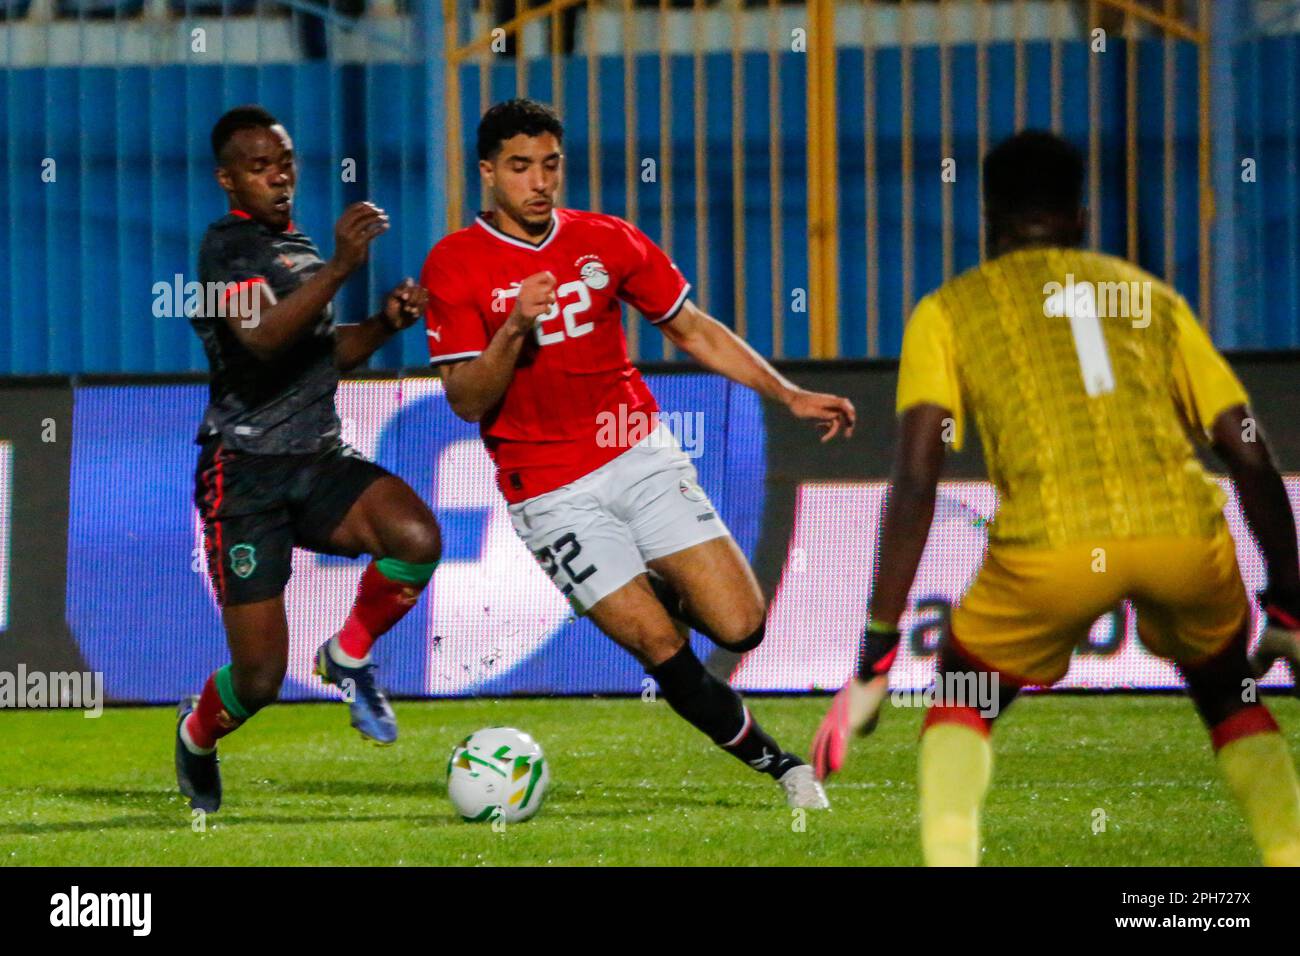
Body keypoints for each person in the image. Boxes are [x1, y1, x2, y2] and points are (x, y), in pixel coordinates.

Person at [812, 129, 1300, 866]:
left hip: (1052, 544)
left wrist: (878, 651)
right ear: (1080, 218)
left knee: (963, 698)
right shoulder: (1150, 298)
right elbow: (1248, 449)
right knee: (1229, 693)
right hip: (1183, 535)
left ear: (988, 222)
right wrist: (1290, 600)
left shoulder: (948, 311)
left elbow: (918, 478)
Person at [420, 98, 856, 808]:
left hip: (639, 456)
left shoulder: (607, 240)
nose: (539, 182)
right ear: (489, 174)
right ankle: (783, 769)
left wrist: (789, 394)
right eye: (521, 167)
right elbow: (467, 399)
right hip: (549, 490)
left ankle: (647, 582)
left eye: (550, 165)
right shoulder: (454, 264)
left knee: (742, 626)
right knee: (660, 647)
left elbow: (692, 328)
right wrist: (513, 329)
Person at [177, 105, 442, 812]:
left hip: (317, 457)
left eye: (286, 162)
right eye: (261, 166)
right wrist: (347, 267)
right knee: (260, 680)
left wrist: (385, 322)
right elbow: (261, 338)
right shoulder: (226, 249)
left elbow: (320, 357)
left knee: (415, 539)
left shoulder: (298, 252)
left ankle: (348, 653)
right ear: (228, 177)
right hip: (245, 475)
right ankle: (198, 734)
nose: (280, 177)